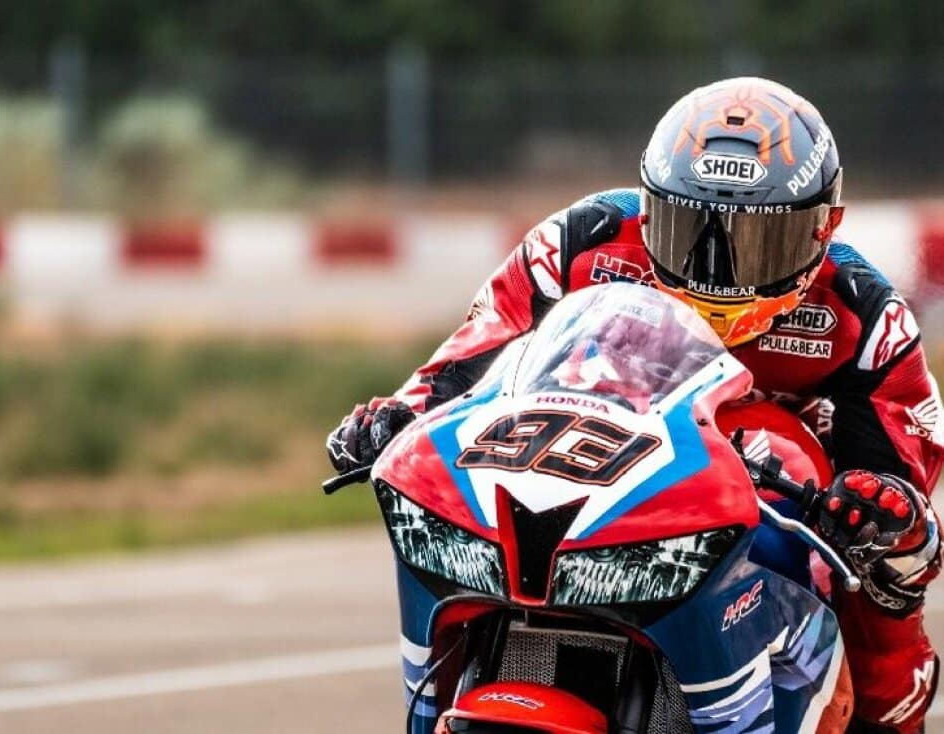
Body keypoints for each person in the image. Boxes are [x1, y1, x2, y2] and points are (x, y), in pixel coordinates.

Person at [326, 77, 943, 733]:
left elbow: (911, 499)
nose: (715, 270)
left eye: (757, 242)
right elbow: (462, 367)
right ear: (649, 212)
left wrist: (886, 515)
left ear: (824, 228)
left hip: (766, 491)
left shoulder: (865, 314)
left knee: (889, 592)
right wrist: (393, 419)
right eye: (690, 230)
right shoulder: (579, 240)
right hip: (591, 462)